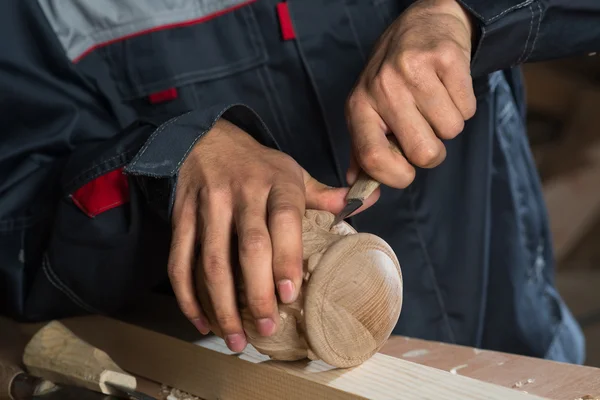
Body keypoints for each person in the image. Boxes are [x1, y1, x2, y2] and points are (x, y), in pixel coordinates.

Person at [1, 0, 598, 364]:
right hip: (238, 377)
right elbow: (15, 222)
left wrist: (463, 13)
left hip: (510, 348)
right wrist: (168, 159)